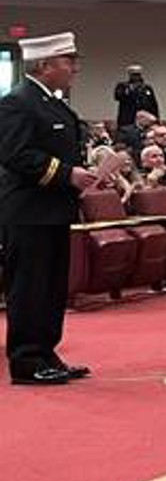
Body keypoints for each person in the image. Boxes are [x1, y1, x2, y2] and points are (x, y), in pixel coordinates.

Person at [0, 32, 97, 386]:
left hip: (54, 210)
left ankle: (46, 351)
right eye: (68, 61)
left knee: (52, 287)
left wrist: (80, 176)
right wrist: (67, 174)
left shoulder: (54, 104)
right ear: (44, 65)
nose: (74, 68)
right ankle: (26, 359)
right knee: (29, 286)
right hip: (28, 212)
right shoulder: (17, 102)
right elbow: (16, 155)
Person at [113, 64, 161, 129]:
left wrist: (156, 120)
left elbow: (154, 105)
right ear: (130, 75)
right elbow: (117, 96)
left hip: (145, 121)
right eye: (134, 75)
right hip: (128, 121)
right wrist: (130, 90)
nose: (136, 77)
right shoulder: (122, 86)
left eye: (138, 75)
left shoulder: (147, 88)